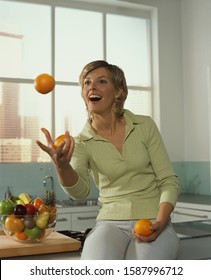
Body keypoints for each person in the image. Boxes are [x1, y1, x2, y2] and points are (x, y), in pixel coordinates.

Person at [36, 60, 180, 260]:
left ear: (119, 92)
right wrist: (61, 166)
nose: (92, 86)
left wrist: (161, 222)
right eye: (87, 83)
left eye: (101, 81)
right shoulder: (82, 142)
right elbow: (80, 192)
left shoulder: (144, 126)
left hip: (153, 218)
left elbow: (168, 181)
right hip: (109, 223)